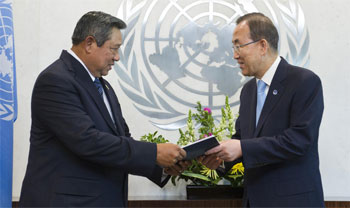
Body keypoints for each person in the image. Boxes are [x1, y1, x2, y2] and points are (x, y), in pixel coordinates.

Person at [19, 11, 188, 207]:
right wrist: (154, 153)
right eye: (114, 49)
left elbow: (120, 141)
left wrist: (160, 166)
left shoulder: (103, 86)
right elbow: (88, 141)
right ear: (90, 43)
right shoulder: (55, 80)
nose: (117, 57)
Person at [201, 12, 324, 207]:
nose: (235, 55)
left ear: (262, 45)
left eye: (239, 45)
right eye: (233, 47)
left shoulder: (304, 82)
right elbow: (243, 140)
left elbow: (299, 140)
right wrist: (220, 156)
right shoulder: (248, 91)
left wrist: (241, 147)